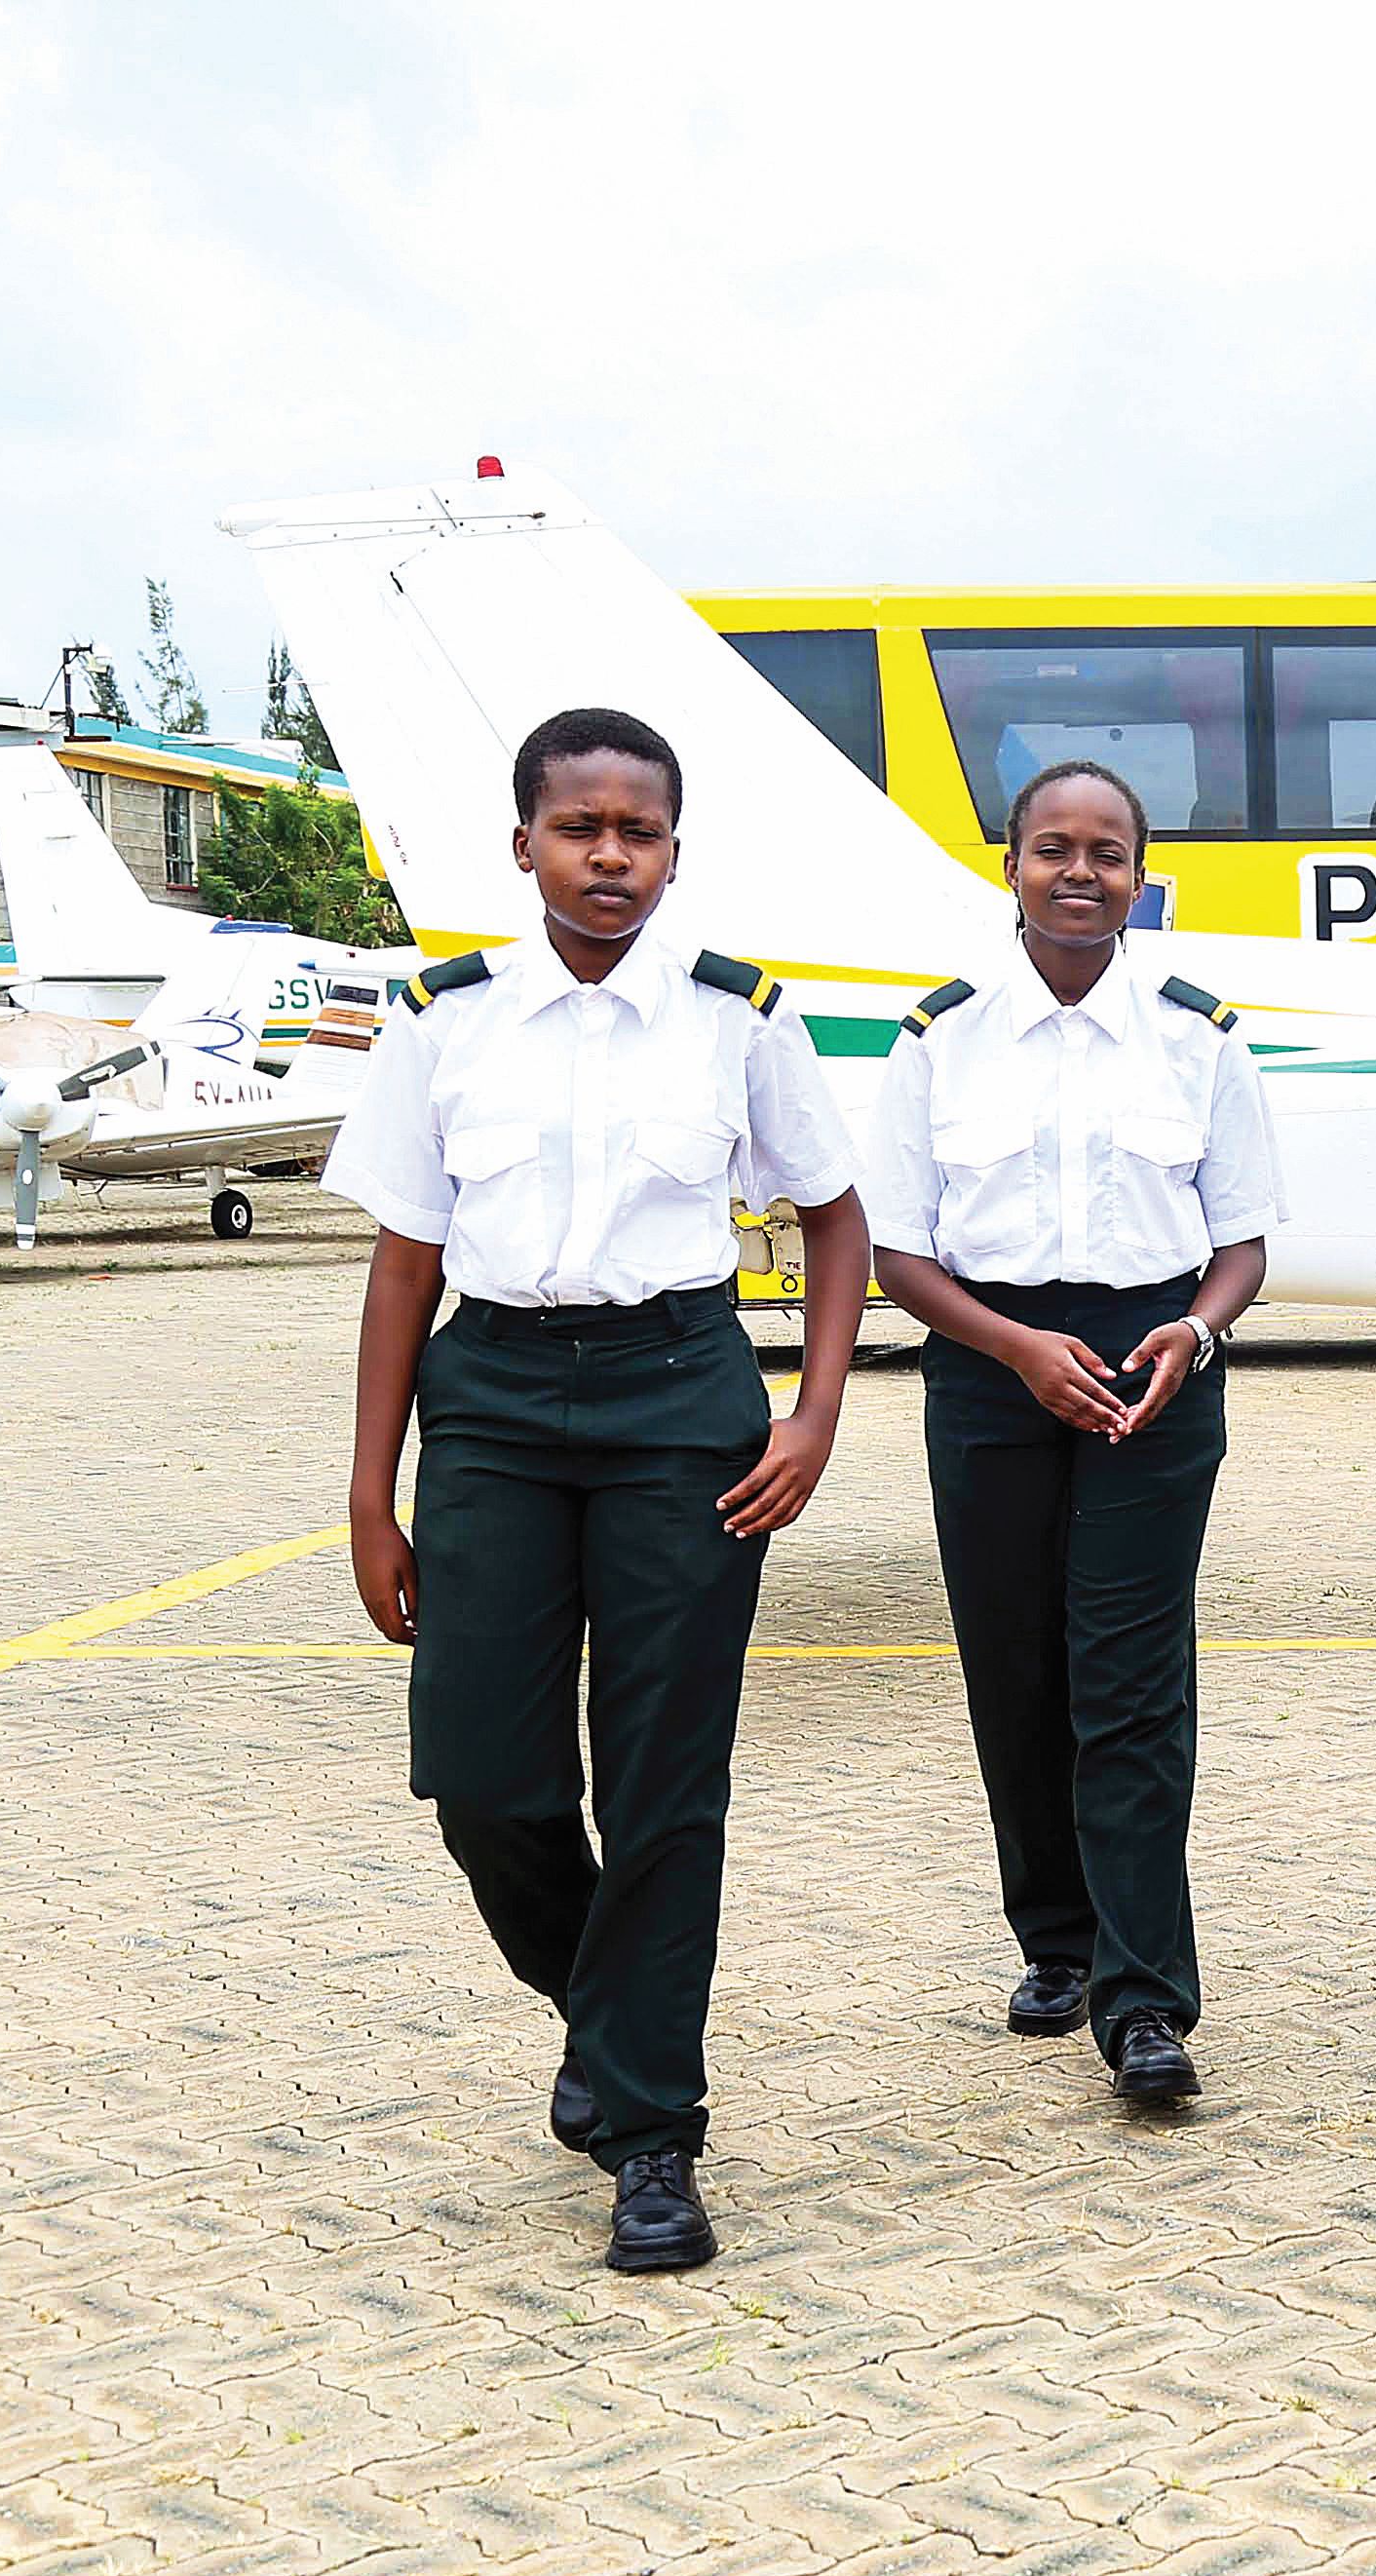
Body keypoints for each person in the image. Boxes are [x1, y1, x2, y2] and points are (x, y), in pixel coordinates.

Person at [331, 705, 866, 2275]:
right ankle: (605, 2008)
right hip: (490, 1397)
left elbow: (837, 1223)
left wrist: (814, 1409)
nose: (611, 855)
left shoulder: (738, 1020)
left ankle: (650, 2133)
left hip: (680, 1399)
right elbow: (400, 1265)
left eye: (639, 831)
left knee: (660, 1781)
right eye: (582, 828)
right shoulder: (442, 1020)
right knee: (482, 1775)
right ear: (524, 845)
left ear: (674, 852)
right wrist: (372, 1496)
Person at [864, 757, 1280, 2109]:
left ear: (1140, 874)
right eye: (1055, 849)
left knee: (1130, 1679)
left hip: (1154, 1368)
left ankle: (1146, 1996)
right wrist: (1012, 1347)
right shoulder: (938, 1039)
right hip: (991, 1370)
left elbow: (1240, 1243)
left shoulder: (1201, 1035)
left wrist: (1198, 1331)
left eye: (1109, 851)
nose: (1081, 873)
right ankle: (1055, 1936)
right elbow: (897, 1254)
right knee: (1013, 1663)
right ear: (1011, 868)